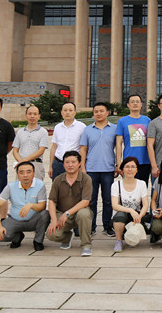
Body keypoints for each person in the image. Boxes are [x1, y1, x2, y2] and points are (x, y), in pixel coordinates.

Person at [0, 161, 50, 251]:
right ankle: (17, 237)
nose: (25, 175)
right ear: (17, 174)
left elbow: (42, 206)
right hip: (15, 220)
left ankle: (38, 241)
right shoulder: (11, 187)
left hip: (33, 220)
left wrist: (31, 205)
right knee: (1, 236)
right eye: (21, 172)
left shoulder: (40, 185)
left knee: (45, 214)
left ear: (34, 173)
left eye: (28, 172)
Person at [79, 102, 118, 236]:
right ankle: (91, 226)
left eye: (102, 111)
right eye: (96, 111)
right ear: (93, 113)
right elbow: (83, 149)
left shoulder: (114, 129)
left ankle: (107, 226)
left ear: (107, 113)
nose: (99, 114)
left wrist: (117, 165)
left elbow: (118, 147)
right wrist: (82, 167)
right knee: (91, 200)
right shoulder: (87, 129)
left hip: (108, 169)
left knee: (108, 200)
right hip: (91, 169)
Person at [46, 150, 94, 256]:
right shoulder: (58, 179)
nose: (70, 165)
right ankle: (67, 237)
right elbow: (52, 201)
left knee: (84, 214)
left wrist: (67, 213)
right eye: (67, 162)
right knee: (51, 235)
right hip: (62, 214)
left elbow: (85, 201)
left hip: (79, 213)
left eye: (73, 162)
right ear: (63, 164)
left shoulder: (86, 179)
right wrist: (54, 220)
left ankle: (86, 245)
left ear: (79, 163)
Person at [110, 156, 151, 252]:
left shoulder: (141, 184)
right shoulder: (116, 185)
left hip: (136, 217)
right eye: (127, 167)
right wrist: (130, 210)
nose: (130, 169)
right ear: (122, 169)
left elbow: (145, 204)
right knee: (120, 215)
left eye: (133, 167)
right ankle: (119, 241)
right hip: (122, 216)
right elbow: (115, 205)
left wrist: (139, 216)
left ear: (137, 170)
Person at [116, 94, 152, 181]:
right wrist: (118, 163)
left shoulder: (147, 120)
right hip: (129, 162)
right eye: (132, 102)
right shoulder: (122, 121)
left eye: (137, 102)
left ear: (141, 104)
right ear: (128, 105)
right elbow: (118, 144)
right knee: (129, 187)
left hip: (145, 161)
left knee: (143, 187)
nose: (135, 104)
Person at [49, 102, 86, 179]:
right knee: (57, 186)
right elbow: (54, 147)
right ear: (61, 112)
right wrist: (51, 166)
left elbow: (84, 148)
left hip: (74, 164)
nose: (67, 112)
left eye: (70, 110)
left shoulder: (82, 127)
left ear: (75, 112)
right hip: (58, 163)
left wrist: (82, 166)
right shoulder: (57, 127)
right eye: (65, 110)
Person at [12, 104, 50, 180]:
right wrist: (21, 162)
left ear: (39, 116)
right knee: (20, 187)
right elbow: (15, 151)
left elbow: (41, 151)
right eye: (30, 114)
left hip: (36, 165)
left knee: (36, 187)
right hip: (21, 166)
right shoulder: (20, 132)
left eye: (35, 114)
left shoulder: (43, 132)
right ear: (26, 115)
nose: (32, 116)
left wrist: (24, 161)